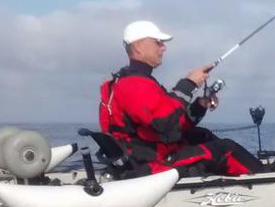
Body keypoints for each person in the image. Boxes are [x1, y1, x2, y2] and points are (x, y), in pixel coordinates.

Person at [99, 20, 263, 177]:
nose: (163, 48)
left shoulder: (132, 82)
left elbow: (173, 127)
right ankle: (267, 177)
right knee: (226, 149)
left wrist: (199, 106)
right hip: (152, 166)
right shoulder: (133, 85)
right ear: (139, 46)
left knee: (202, 135)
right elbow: (166, 124)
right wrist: (188, 84)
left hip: (147, 156)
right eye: (158, 42)